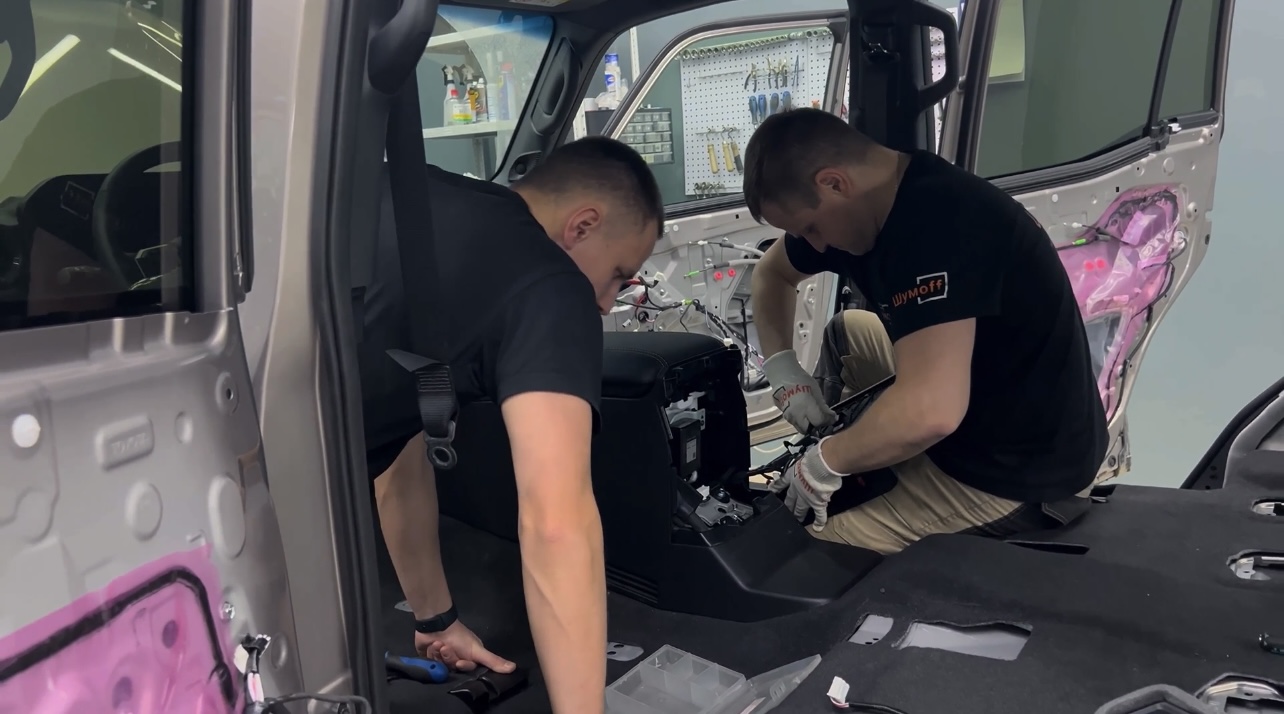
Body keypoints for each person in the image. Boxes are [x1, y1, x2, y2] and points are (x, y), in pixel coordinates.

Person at [358, 137, 662, 714]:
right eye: (619, 275)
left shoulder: (415, 196)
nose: (606, 303)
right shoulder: (551, 283)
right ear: (582, 226)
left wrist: (436, 620)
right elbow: (556, 525)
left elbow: (399, 453)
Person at [743, 108, 1108, 555]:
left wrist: (826, 463)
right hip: (982, 397)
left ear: (834, 183)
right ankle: (853, 450)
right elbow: (771, 275)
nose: (814, 245)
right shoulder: (871, 201)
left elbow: (933, 411)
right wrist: (783, 370)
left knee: (796, 549)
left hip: (1023, 466)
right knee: (849, 333)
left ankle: (848, 468)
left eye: (810, 228)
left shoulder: (938, 225)